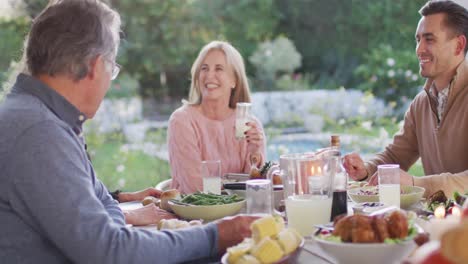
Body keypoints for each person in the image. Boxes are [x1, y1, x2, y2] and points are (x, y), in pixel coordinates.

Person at [0, 1, 257, 263]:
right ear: (95, 66)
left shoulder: (44, 119)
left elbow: (104, 206)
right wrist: (215, 236)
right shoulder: (39, 132)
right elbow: (112, 252)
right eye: (112, 68)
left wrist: (109, 231)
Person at [344, 0, 468, 197]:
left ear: (459, 45)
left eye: (429, 39)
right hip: (439, 220)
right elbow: (395, 156)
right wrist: (365, 170)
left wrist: (414, 182)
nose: (419, 49)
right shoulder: (421, 104)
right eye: (418, 40)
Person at [167, 41, 266, 194]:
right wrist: (234, 189)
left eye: (219, 69)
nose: (209, 76)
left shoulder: (250, 125)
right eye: (204, 68)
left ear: (234, 80)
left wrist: (255, 151)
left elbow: (256, 190)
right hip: (194, 215)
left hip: (241, 212)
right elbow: (195, 188)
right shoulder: (182, 121)